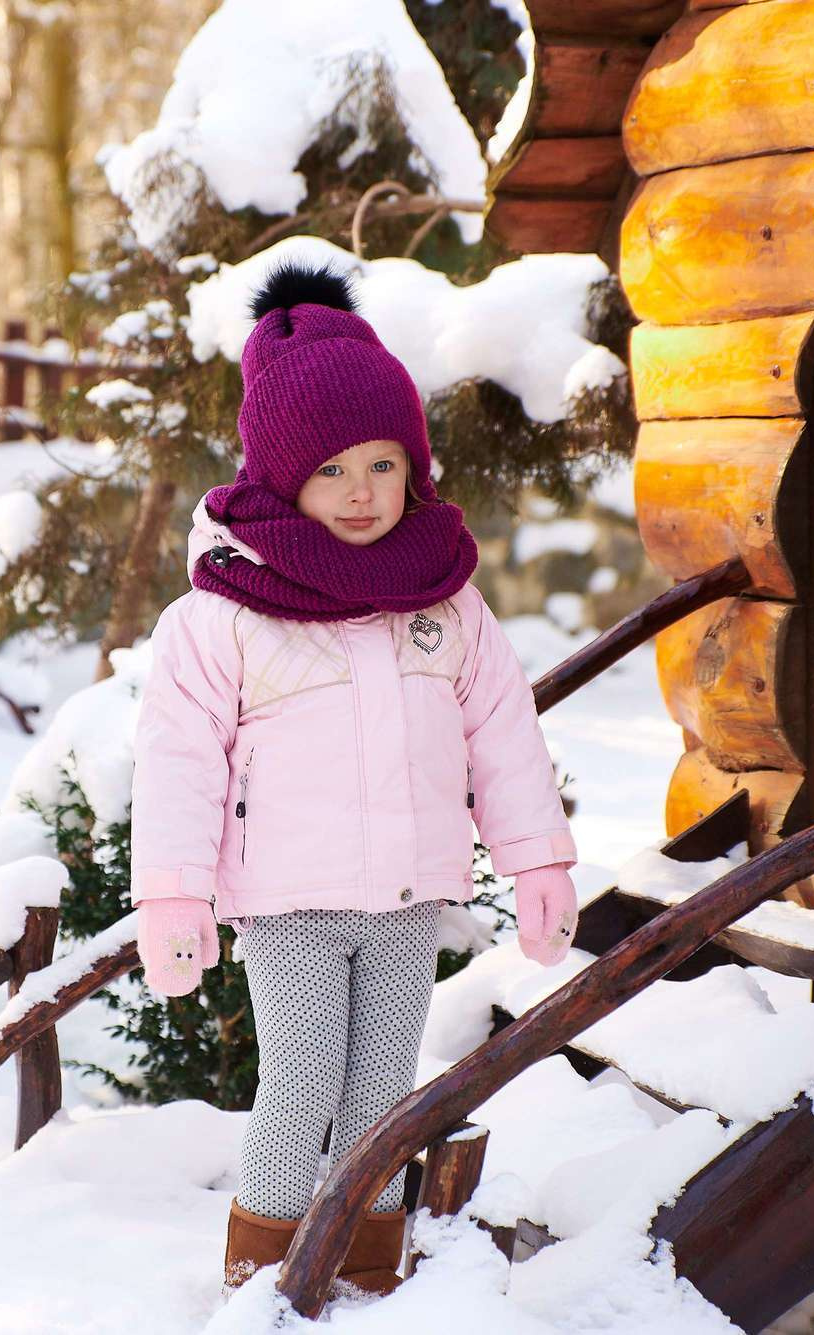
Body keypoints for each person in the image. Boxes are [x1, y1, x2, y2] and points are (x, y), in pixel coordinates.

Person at [128, 258, 578, 1302]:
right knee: (297, 1087)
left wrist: (537, 860)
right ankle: (263, 1279)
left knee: (381, 1093)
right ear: (282, 477)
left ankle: (369, 1274)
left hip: (407, 898)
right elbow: (180, 760)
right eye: (330, 471)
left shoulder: (443, 601)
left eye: (380, 464)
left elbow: (501, 734)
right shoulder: (225, 612)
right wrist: (172, 894)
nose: (361, 492)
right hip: (286, 900)